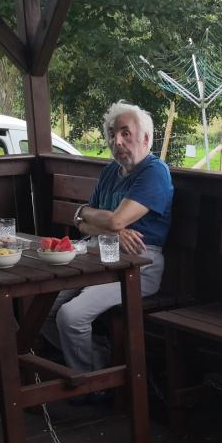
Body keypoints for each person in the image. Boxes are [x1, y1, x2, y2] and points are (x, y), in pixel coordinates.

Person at [44, 101, 172, 375]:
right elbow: (83, 226)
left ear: (145, 138)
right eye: (112, 135)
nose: (117, 141)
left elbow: (114, 220)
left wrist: (88, 214)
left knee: (71, 316)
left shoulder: (154, 172)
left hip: (138, 265)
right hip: (98, 256)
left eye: (125, 133)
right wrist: (98, 222)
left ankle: (92, 382)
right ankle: (99, 363)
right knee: (40, 309)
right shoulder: (110, 172)